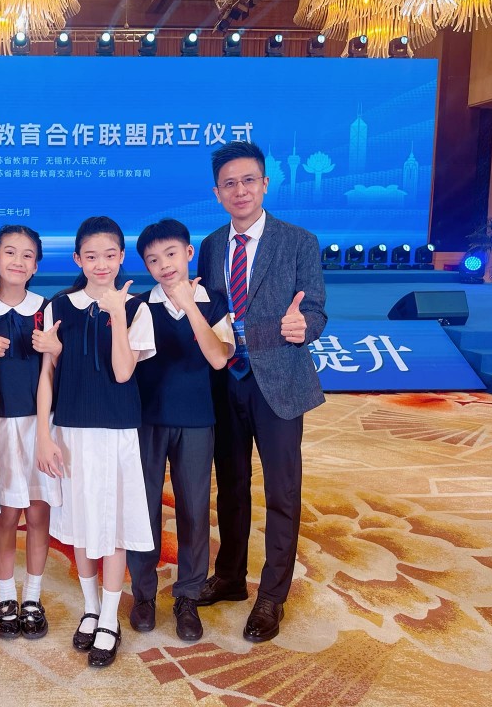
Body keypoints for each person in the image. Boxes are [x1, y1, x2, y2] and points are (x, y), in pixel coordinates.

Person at [195, 140, 327, 643]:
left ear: (266, 183)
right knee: (230, 485)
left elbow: (315, 308)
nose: (240, 190)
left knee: (282, 492)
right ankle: (230, 577)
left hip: (280, 382)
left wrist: (304, 325)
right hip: (225, 382)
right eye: (229, 183)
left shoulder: (299, 241)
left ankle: (272, 594)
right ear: (217, 193)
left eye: (249, 180)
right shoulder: (211, 245)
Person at [36, 215, 155, 668]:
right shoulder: (59, 306)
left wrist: (117, 314)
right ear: (77, 259)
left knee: (113, 525)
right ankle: (90, 607)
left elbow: (124, 372)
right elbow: (48, 374)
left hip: (117, 431)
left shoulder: (137, 308)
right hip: (70, 431)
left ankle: (109, 618)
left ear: (122, 257)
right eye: (91, 256)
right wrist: (44, 434)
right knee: (81, 524)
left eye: (109, 255)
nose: (101, 264)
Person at [127, 219, 234, 642]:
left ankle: (188, 596)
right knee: (143, 509)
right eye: (153, 260)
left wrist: (190, 305)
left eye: (171, 254)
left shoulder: (213, 302)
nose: (164, 265)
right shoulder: (139, 306)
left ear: (189, 254)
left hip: (196, 420)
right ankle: (143, 595)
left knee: (193, 510)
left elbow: (219, 358)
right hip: (146, 420)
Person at [0, 225, 62, 642]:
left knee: (39, 512)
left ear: (37, 265)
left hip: (40, 425)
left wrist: (44, 434)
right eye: (10, 252)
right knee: (6, 514)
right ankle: (6, 595)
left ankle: (33, 597)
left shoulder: (48, 310)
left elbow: (51, 374)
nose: (18, 261)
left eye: (28, 255)